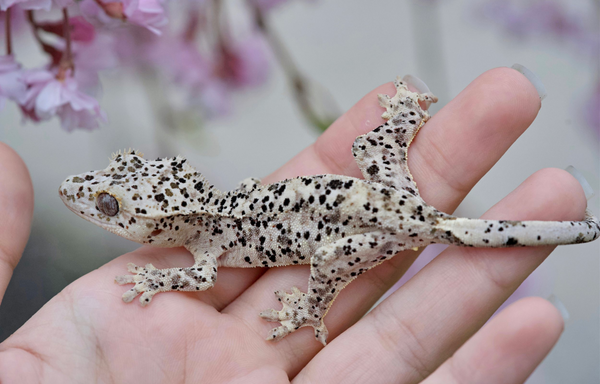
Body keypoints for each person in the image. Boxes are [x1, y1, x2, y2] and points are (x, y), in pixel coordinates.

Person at [0, 67, 586, 383]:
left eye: (110, 206)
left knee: (331, 258)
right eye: (110, 201)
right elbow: (200, 272)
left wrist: (158, 281)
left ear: (163, 226)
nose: (81, 198)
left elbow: (201, 280)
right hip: (381, 199)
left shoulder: (205, 247)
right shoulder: (210, 227)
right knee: (367, 144)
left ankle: (313, 308)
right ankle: (405, 121)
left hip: (386, 223)